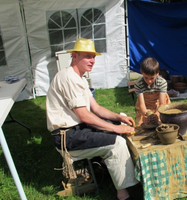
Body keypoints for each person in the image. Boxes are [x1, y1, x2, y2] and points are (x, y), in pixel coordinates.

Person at [46, 38, 138, 200]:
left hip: (77, 129)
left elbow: (96, 109)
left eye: (93, 57)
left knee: (120, 120)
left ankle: (105, 165)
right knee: (117, 143)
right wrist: (117, 129)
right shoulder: (68, 78)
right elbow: (84, 115)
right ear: (74, 56)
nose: (92, 61)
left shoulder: (80, 78)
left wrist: (119, 119)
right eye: (87, 56)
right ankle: (123, 195)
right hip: (66, 136)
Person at [134, 57, 171, 126]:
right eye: (146, 77)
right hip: (145, 104)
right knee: (143, 123)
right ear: (141, 71)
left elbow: (162, 103)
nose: (149, 81)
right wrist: (145, 115)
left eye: (152, 78)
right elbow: (141, 104)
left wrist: (157, 114)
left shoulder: (162, 82)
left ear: (157, 73)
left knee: (162, 123)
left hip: (159, 104)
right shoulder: (138, 84)